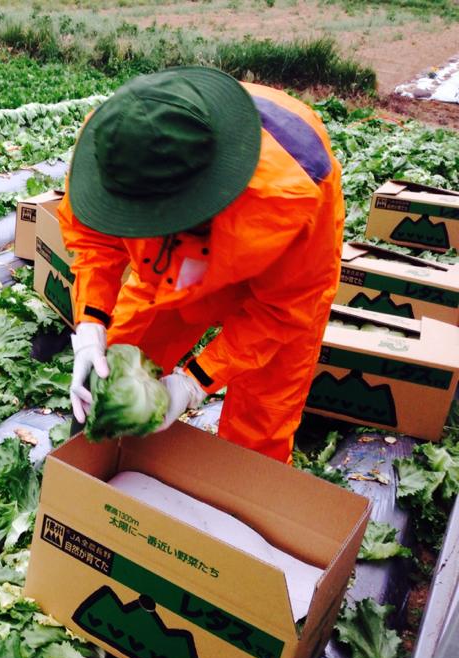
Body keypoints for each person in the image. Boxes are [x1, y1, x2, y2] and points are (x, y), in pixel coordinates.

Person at [63, 66, 344, 463]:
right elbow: (94, 239)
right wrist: (91, 326)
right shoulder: (116, 144)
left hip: (274, 279)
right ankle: (92, 472)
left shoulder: (294, 197)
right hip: (172, 266)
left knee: (262, 416)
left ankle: (240, 496)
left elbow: (281, 312)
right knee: (119, 364)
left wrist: (193, 383)